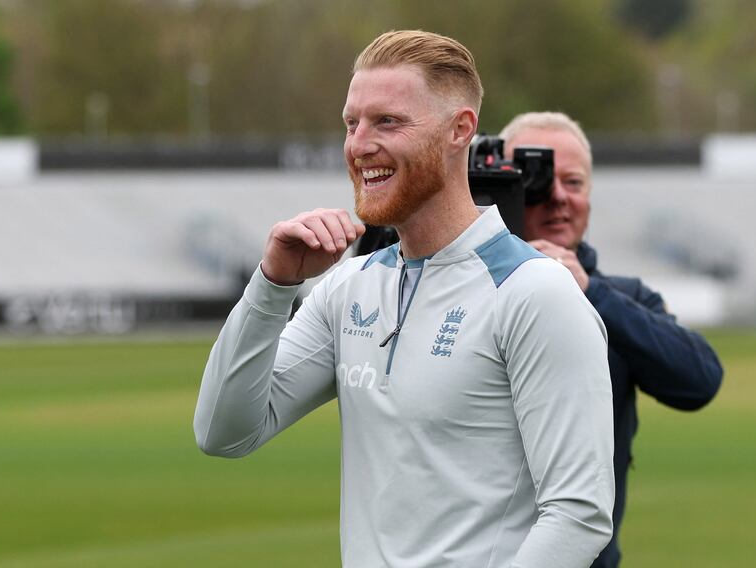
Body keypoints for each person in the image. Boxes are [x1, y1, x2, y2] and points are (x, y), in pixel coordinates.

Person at [195, 31, 615, 567]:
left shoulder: (534, 293)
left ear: (459, 130)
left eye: (387, 121)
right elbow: (222, 432)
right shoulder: (350, 287)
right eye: (352, 122)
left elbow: (579, 512)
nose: (359, 144)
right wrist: (273, 285)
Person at [499, 111, 724, 568]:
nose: (558, 197)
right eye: (538, 180)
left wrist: (591, 292)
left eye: (574, 182)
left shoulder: (621, 298)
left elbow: (699, 379)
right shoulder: (458, 294)